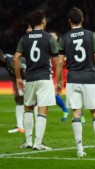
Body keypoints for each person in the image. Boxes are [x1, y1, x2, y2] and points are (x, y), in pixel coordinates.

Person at [56, 7, 95, 157]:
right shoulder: (90, 35)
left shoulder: (64, 38)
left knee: (76, 113)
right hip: (89, 78)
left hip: (73, 79)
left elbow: (60, 62)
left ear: (69, 21)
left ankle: (80, 150)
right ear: (82, 19)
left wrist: (59, 81)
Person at [14, 10, 59, 150]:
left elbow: (16, 59)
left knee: (28, 107)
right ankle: (38, 143)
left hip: (30, 77)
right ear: (43, 21)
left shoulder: (24, 38)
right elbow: (57, 61)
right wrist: (59, 80)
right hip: (44, 78)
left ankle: (28, 141)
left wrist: (18, 78)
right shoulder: (49, 38)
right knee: (42, 109)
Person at [49, 31, 86, 123]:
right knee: (53, 94)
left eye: (53, 37)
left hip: (67, 73)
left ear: (56, 38)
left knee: (76, 95)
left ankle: (81, 115)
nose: (51, 38)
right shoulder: (48, 48)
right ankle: (65, 110)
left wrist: (65, 59)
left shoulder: (62, 46)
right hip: (56, 74)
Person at [0, 50, 25, 133]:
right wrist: (16, 85)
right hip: (22, 77)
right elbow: (13, 73)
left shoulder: (11, 61)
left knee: (31, 101)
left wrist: (20, 83)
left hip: (28, 77)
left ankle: (29, 125)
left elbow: (22, 70)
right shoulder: (4, 61)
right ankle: (20, 127)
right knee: (19, 99)